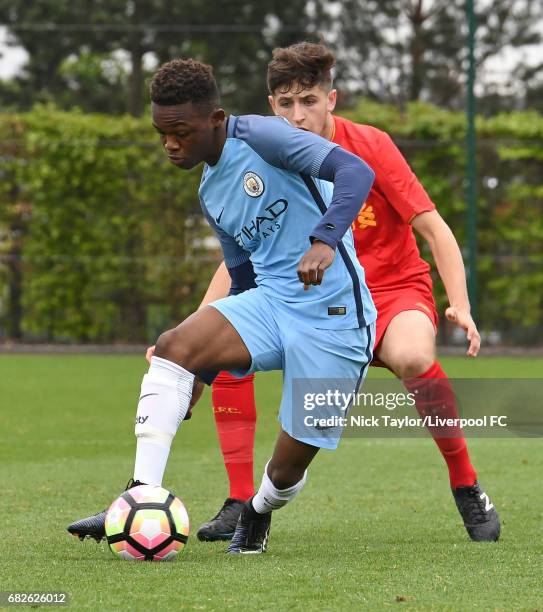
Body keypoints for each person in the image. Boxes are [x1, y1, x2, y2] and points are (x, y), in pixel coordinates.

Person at [172, 42, 500, 543]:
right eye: (286, 104)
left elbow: (433, 228)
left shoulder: (369, 146)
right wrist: (195, 354)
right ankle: (241, 502)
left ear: (332, 101)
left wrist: (460, 302)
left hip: (390, 294)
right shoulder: (264, 150)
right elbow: (240, 259)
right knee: (228, 357)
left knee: (413, 356)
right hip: (306, 303)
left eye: (308, 101)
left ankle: (466, 484)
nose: (297, 116)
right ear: (270, 106)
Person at [67, 57, 377, 554]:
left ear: (215, 120)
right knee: (173, 348)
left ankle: (257, 512)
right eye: (161, 133)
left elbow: (355, 171)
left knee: (285, 470)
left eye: (180, 132)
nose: (170, 144)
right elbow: (243, 279)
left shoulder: (264, 137)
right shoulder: (211, 191)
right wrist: (199, 375)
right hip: (273, 302)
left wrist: (323, 240)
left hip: (334, 319)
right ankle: (137, 496)